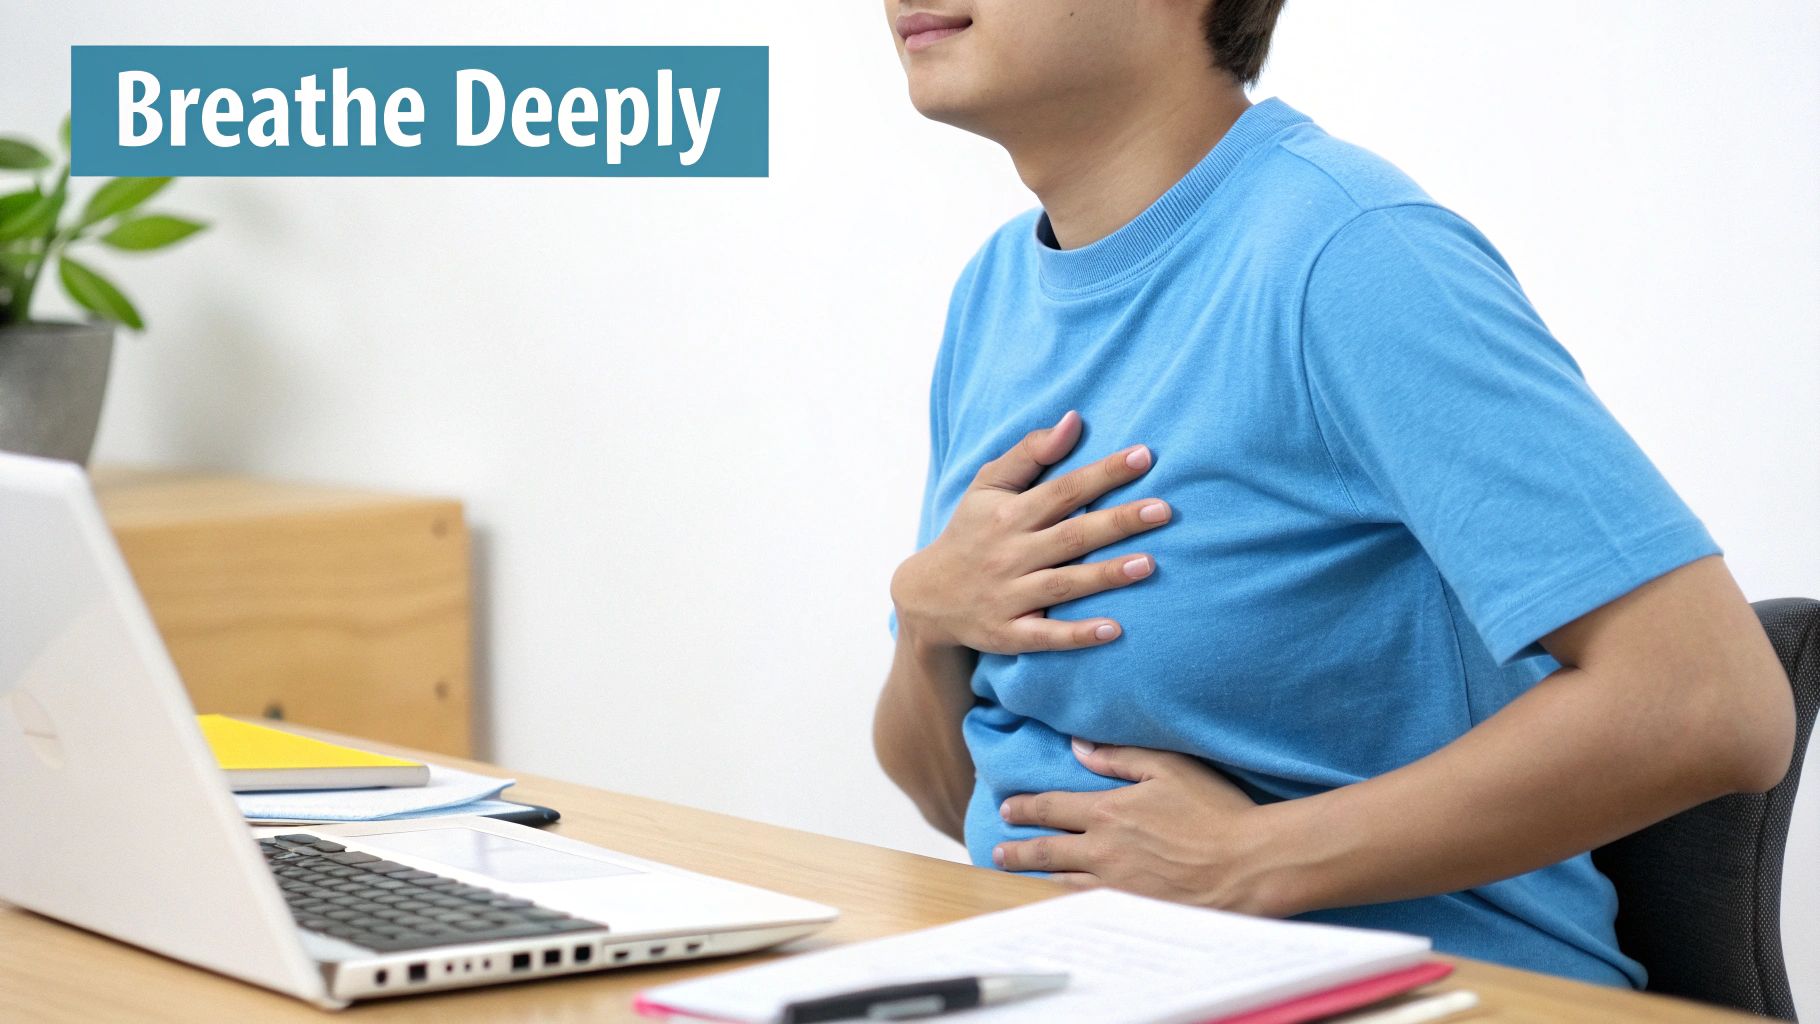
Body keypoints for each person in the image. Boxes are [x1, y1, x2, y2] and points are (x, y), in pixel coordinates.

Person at [871, 0, 1796, 987]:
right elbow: (952, 797)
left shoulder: (1346, 251)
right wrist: (927, 615)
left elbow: (1711, 700)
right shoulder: (994, 295)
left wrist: (1250, 861)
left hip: (1433, 992)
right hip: (1085, 976)